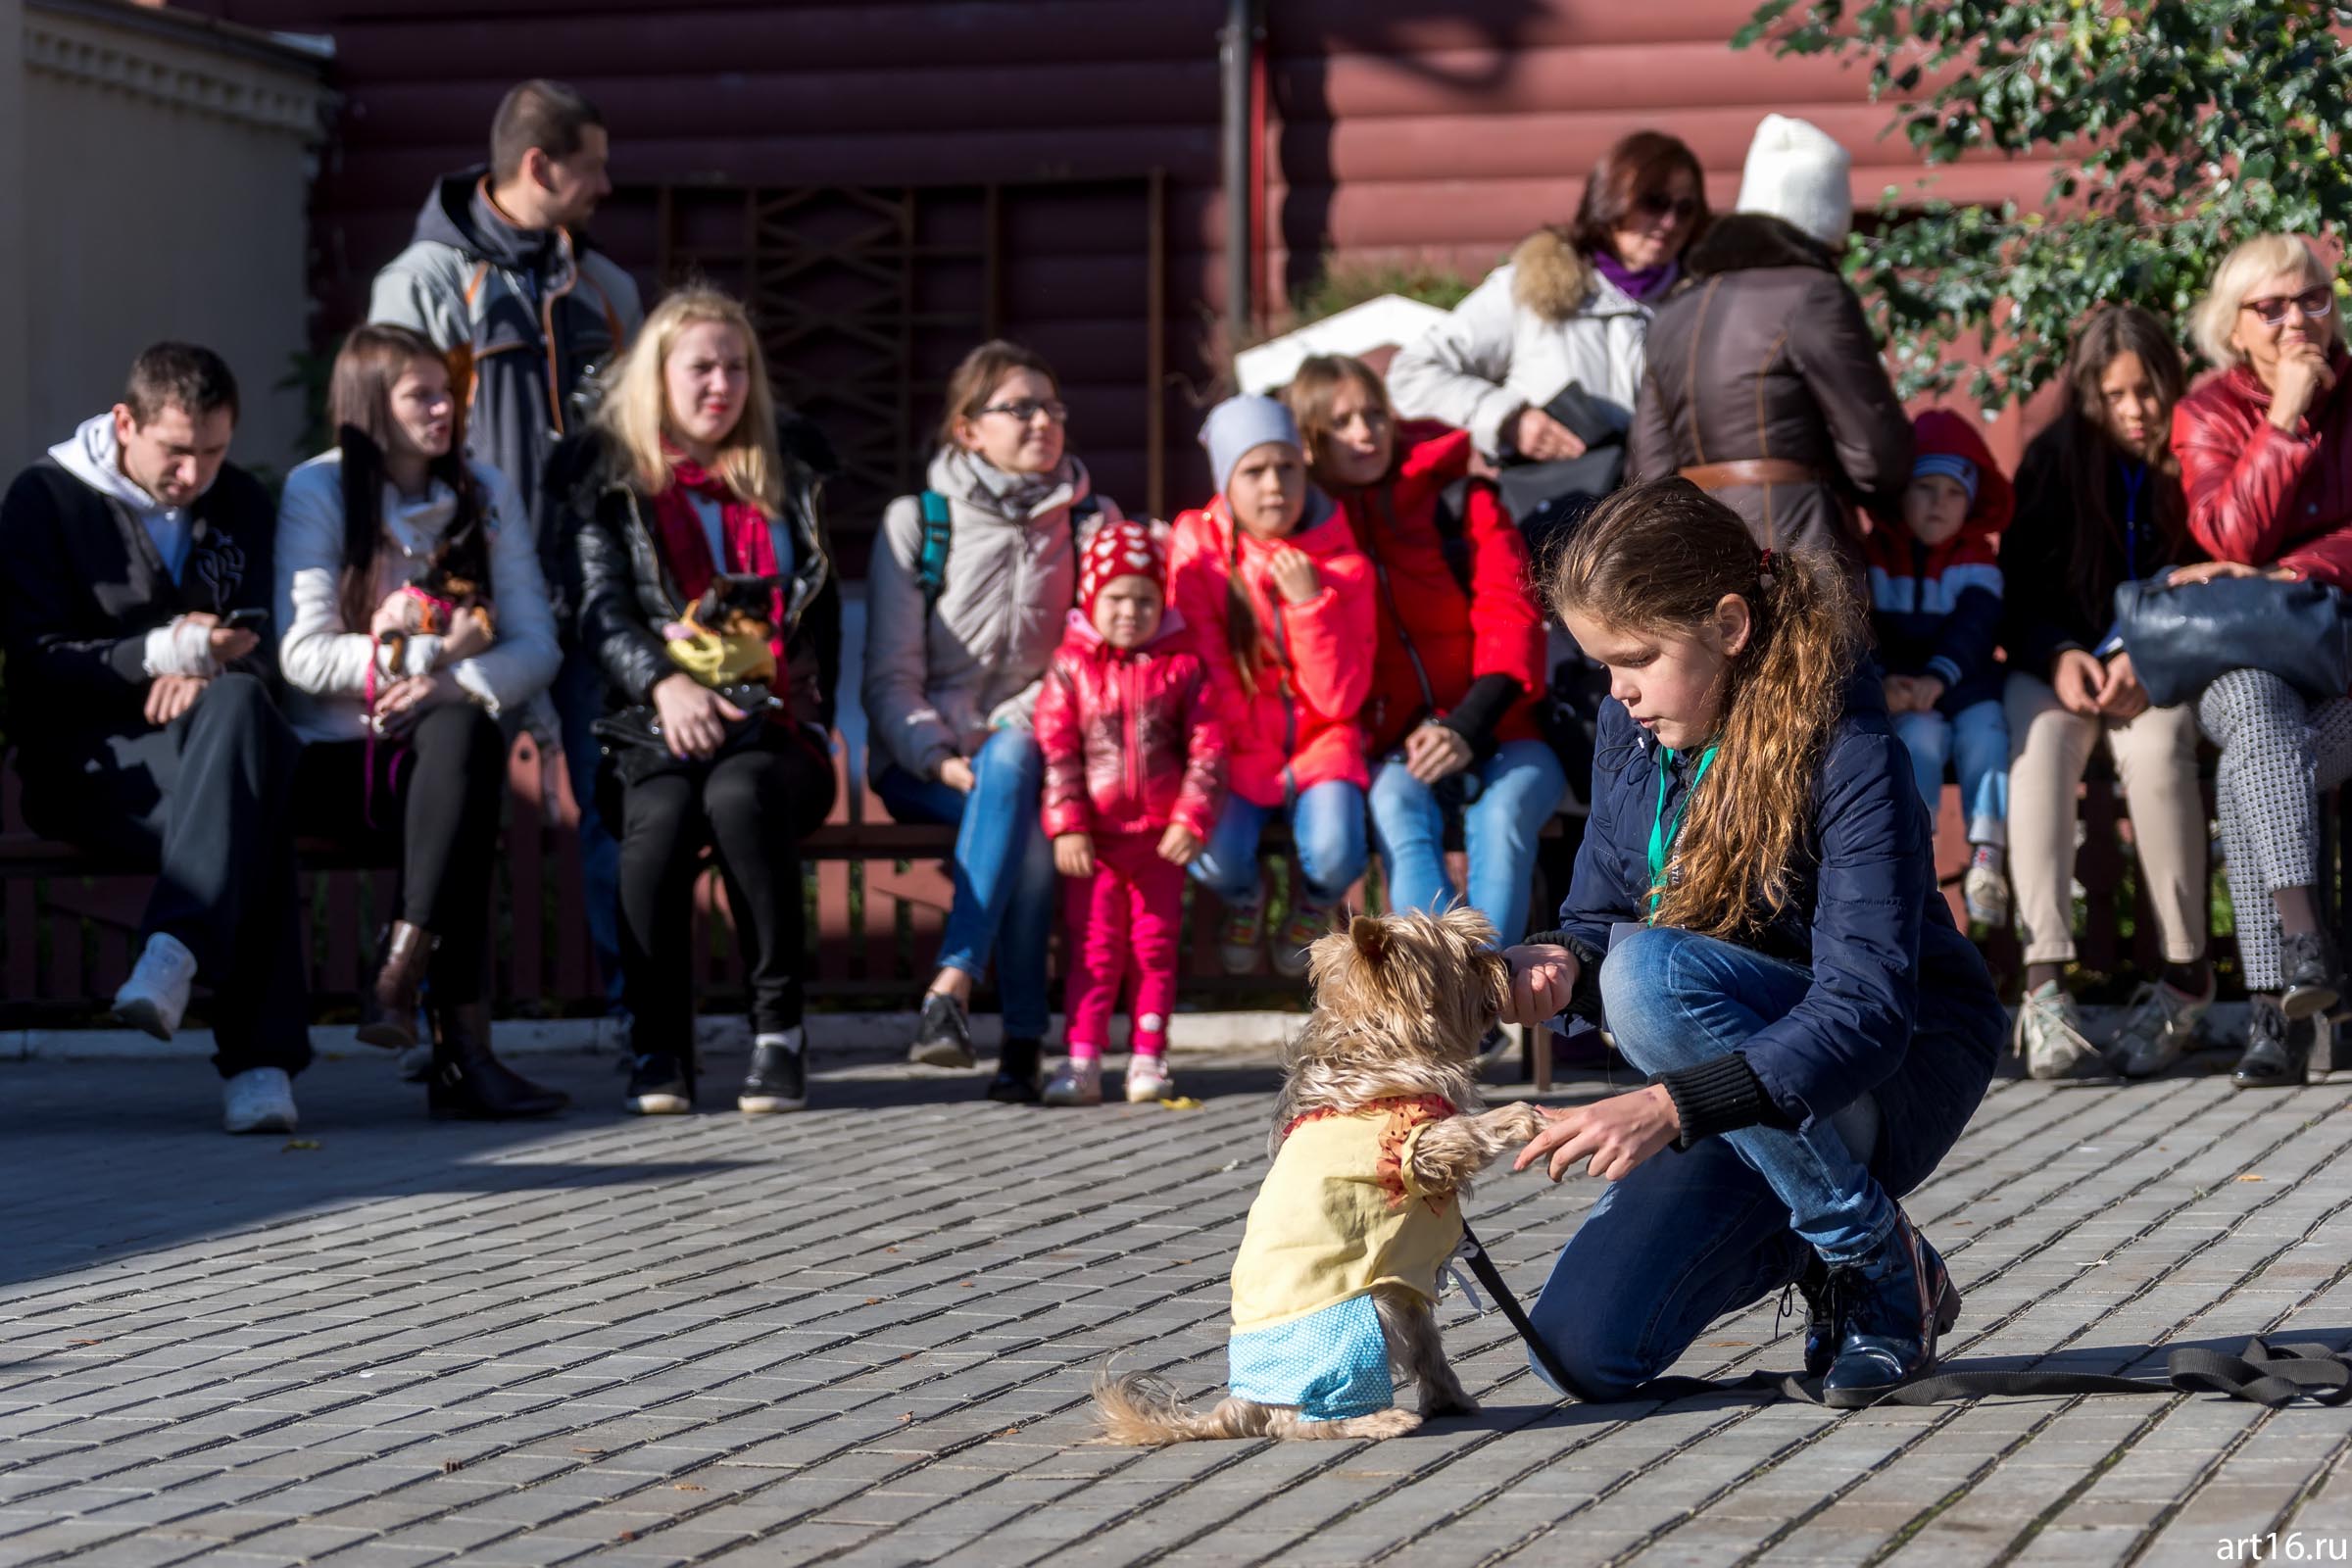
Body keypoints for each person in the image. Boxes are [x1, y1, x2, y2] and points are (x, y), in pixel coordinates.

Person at [1498, 477, 2003, 1403]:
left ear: (1729, 626)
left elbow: (1866, 1012)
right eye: (1604, 665)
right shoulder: (1630, 728)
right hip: (1727, 1077)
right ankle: (1829, 1241)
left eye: (1639, 658)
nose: (1619, 692)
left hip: (1896, 1064)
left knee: (1649, 980)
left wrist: (1671, 1108)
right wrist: (1555, 966)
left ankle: (1876, 1269)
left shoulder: (1848, 747)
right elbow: (1602, 922)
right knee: (1574, 1354)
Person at [370, 77, 644, 1035]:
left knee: (617, 804)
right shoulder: (426, 284)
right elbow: (403, 443)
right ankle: (444, 1027)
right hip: (469, 600)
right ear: (540, 165)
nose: (607, 185)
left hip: (595, 591)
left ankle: (636, 1020)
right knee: (461, 808)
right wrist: (436, 591)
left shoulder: (607, 291)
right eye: (594, 165)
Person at [0, 344, 312, 1134]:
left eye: (214, 451)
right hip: (89, 768)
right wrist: (162, 651)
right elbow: (37, 664)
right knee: (256, 806)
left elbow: (271, 645)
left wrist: (215, 667)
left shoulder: (239, 500)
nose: (194, 475)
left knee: (244, 716)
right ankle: (260, 1063)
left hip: (205, 751)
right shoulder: (46, 499)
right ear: (124, 423)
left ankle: (173, 949)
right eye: (176, 451)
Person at [274, 324, 567, 1120]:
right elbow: (302, 656)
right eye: (422, 395)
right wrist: (428, 661)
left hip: (438, 757)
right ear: (373, 405)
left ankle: (398, 975)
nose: (445, 409)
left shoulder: (483, 488)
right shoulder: (318, 490)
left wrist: (448, 685)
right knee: (465, 778)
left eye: (449, 392)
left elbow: (539, 646)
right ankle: (463, 1057)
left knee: (464, 739)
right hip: (341, 764)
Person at [564, 287, 841, 1114]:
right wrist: (665, 680)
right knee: (659, 821)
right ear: (659, 377)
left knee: (741, 795)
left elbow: (818, 610)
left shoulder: (788, 474)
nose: (721, 384)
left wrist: (806, 703)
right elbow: (599, 607)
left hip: (774, 725)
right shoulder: (609, 483)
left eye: (736, 366)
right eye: (701, 368)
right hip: (656, 724)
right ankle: (657, 1049)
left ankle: (776, 1037)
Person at [863, 341, 1124, 1102]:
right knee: (1019, 808)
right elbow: (888, 678)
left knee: (1019, 781)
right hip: (926, 765)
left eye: (1053, 407)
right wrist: (942, 757)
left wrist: (1009, 732)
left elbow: (1081, 662)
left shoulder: (1088, 522)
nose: (1045, 421)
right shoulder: (920, 522)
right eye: (1021, 408)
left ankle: (954, 989)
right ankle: (1016, 1041)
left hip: (1037, 750)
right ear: (968, 429)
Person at [2001, 307, 2215, 1081]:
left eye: (2148, 391)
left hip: (2162, 669)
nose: (2135, 411)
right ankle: (2045, 984)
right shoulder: (2052, 460)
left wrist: (2143, 655)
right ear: (2088, 395)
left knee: (2158, 756)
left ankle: (2187, 977)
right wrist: (2058, 654)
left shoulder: (2198, 456)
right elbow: (2018, 594)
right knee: (2041, 752)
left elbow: (2210, 582)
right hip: (2059, 669)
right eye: (2115, 395)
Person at [1285, 355, 1559, 953]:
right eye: (1342, 423)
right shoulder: (1306, 526)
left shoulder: (1455, 493)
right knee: (1396, 808)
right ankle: (1437, 993)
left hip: (1502, 721)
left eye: (1374, 414)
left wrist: (1466, 726)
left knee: (1503, 817)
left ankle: (1479, 998)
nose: (1365, 433)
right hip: (1398, 740)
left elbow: (1510, 611)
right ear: (1309, 439)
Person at [2172, 233, 2352, 1089]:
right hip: (2249, 661)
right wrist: (2284, 416)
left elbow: (2256, 557)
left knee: (2254, 764)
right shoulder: (2206, 412)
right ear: (2232, 326)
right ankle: (2305, 944)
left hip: (2346, 662)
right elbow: (2228, 534)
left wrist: (2293, 572)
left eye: (2311, 299)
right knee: (2251, 711)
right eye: (2270, 307)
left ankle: (2272, 1012)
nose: (2296, 321)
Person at [1389, 131, 1704, 553]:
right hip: (1557, 534)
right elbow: (1412, 373)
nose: (1669, 223)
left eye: (1685, 209)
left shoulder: (1704, 303)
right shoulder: (1531, 288)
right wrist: (1508, 419)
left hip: (1669, 540)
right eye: (1653, 203)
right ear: (1610, 198)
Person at [1629, 115, 1913, 563]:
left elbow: (1649, 470)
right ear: (1826, 225)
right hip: (1798, 547)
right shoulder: (1814, 294)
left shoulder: (1674, 310)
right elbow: (1876, 456)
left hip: (1696, 556)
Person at [1167, 395, 1377, 977]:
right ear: (1225, 482)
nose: (1274, 486)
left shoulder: (1343, 563)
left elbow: (1340, 700)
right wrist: (1246, 748)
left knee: (1338, 855)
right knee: (1213, 857)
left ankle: (1311, 903)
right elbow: (1205, 667)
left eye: (1287, 467)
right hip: (1233, 748)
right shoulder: (1200, 553)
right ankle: (1246, 899)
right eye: (1253, 471)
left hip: (1321, 745)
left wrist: (1311, 607)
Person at [1032, 519, 1225, 1105]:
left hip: (1160, 840)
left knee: (1155, 947)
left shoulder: (1182, 666)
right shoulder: (1071, 667)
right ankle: (1082, 1057)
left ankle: (1148, 1055)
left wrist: (1191, 818)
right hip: (1094, 842)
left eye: (1144, 597)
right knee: (1092, 949)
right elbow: (1058, 747)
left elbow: (1209, 746)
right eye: (1115, 596)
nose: (1130, 610)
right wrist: (1067, 824)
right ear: (1091, 597)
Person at [1862, 410, 2016, 928]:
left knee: (1988, 732)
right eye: (1925, 488)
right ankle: (1918, 856)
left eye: (1954, 492)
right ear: (1901, 494)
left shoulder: (1976, 557)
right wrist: (1884, 683)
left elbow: (1975, 627)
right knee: (1917, 742)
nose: (1939, 504)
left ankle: (1987, 854)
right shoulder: (1873, 557)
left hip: (1963, 683)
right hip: (1906, 693)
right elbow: (1862, 627)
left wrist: (1939, 677)